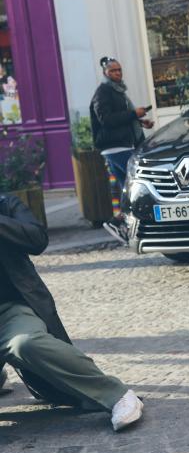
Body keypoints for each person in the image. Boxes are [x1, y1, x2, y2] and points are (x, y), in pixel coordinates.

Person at [0, 193, 143, 431]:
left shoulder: (6, 204)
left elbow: (37, 239)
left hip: (11, 311)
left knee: (26, 343)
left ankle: (116, 395)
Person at [90, 57, 153, 241]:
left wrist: (140, 122)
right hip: (114, 146)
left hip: (121, 144)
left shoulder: (117, 91)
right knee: (135, 185)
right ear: (105, 73)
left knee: (127, 186)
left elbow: (120, 118)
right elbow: (107, 120)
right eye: (113, 71)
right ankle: (119, 222)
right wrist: (134, 113)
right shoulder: (103, 92)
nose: (117, 73)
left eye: (119, 70)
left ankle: (123, 225)